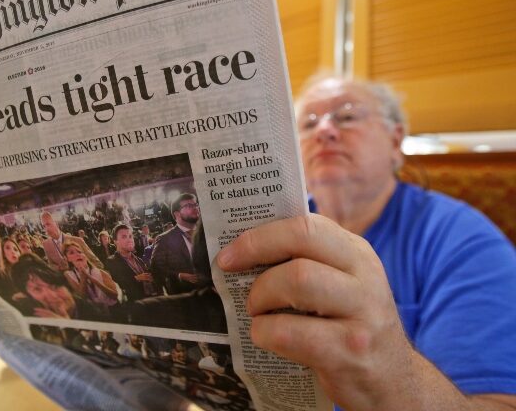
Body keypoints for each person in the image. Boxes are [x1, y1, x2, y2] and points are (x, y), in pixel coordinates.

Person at [216, 75, 516, 410]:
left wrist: (394, 371)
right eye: (308, 123)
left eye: (346, 116)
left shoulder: (464, 241)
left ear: (395, 141)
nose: (324, 131)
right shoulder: (265, 230)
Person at [11, 254, 108, 320]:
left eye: (54, 286)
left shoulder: (96, 313)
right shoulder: (36, 322)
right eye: (37, 289)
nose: (52, 296)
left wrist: (68, 328)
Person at [151, 193, 206, 294]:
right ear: (177, 214)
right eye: (189, 206)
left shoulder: (206, 233)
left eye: (195, 205)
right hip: (184, 295)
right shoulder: (164, 239)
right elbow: (157, 268)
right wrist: (179, 275)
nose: (195, 208)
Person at [62, 241, 119, 312]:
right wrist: (83, 276)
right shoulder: (69, 274)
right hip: (92, 312)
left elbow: (114, 295)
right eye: (71, 253)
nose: (77, 254)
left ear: (85, 256)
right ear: (67, 259)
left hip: (112, 309)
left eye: (79, 252)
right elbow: (81, 297)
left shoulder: (100, 272)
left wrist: (93, 280)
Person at [107, 223, 157, 302]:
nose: (129, 239)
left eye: (130, 236)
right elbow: (117, 286)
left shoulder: (139, 260)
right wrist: (137, 278)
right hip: (133, 307)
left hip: (151, 301)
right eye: (124, 237)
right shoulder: (111, 261)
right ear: (115, 241)